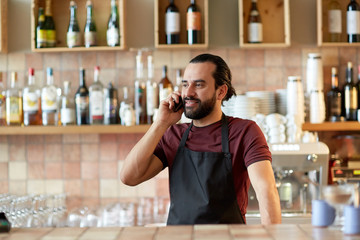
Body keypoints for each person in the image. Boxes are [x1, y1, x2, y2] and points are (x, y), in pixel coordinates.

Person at [120, 53, 281, 225]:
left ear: (221, 91)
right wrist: (160, 123)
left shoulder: (244, 132)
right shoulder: (173, 135)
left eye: (198, 85)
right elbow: (129, 177)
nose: (188, 93)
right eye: (185, 84)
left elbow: (266, 191)